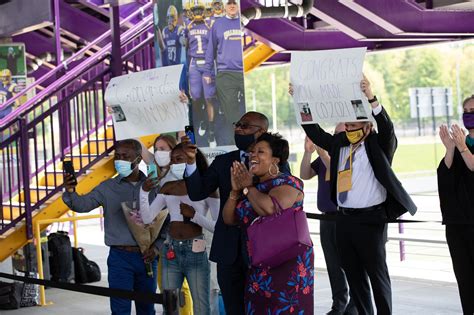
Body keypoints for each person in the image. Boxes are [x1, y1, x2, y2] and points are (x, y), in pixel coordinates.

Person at [300, 77, 417, 315]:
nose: (351, 130)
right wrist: (300, 102)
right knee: (353, 274)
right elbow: (315, 131)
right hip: (344, 219)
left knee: (377, 275)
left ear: (368, 126)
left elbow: (387, 128)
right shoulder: (340, 144)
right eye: (348, 126)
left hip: (371, 219)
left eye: (356, 126)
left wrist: (372, 97)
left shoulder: (378, 145)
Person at [182, 111, 269, 315]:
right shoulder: (223, 162)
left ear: (261, 131)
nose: (238, 129)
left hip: (261, 248)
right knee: (233, 308)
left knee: (262, 307)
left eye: (245, 126)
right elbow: (197, 193)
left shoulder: (273, 162)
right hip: (228, 250)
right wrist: (191, 162)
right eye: (237, 124)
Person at [62, 139, 160, 315]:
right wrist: (71, 192)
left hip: (147, 257)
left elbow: (166, 222)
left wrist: (157, 247)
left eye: (125, 156)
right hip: (119, 258)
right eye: (117, 156)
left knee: (147, 309)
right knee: (120, 309)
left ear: (138, 160)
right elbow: (82, 205)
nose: (119, 160)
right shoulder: (107, 187)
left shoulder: (154, 186)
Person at [222, 132, 314, 313]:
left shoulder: (288, 182)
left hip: (287, 265)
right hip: (259, 266)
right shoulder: (252, 187)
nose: (253, 155)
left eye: (260, 152)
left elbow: (271, 209)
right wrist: (235, 191)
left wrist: (248, 186)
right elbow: (229, 218)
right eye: (252, 152)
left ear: (275, 160)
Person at [140, 143, 219, 314]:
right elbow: (147, 217)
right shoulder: (168, 187)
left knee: (201, 306)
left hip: (196, 250)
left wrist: (195, 216)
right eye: (173, 160)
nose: (175, 164)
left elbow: (219, 227)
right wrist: (144, 192)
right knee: (170, 306)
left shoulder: (209, 189)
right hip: (171, 250)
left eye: (179, 159)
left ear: (192, 160)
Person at [300, 131, 357, 315]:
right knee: (333, 264)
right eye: (335, 132)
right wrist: (308, 152)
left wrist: (322, 152)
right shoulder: (326, 156)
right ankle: (338, 304)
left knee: (350, 263)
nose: (335, 136)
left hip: (345, 218)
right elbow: (305, 174)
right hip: (326, 218)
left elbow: (337, 173)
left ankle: (355, 305)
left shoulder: (351, 157)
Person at [140, 134, 194, 315]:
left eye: (163, 149)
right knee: (166, 288)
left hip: (180, 237)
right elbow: (139, 148)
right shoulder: (154, 170)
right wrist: (119, 116)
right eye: (156, 149)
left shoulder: (178, 172)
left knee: (182, 287)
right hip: (162, 240)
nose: (158, 152)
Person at [437, 95, 474, 314]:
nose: (469, 114)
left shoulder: (465, 146)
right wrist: (451, 148)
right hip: (457, 225)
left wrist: (462, 147)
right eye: (466, 110)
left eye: (473, 109)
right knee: (465, 280)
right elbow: (445, 175)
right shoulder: (462, 143)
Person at [204, 0, 245, 136]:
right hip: (226, 73)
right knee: (231, 114)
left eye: (235, 3)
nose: (232, 6)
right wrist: (207, 71)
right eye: (229, 3)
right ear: (225, 7)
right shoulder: (218, 24)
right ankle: (238, 140)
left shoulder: (246, 22)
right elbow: (210, 49)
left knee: (252, 108)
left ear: (239, 5)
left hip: (246, 72)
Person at [185, 2, 217, 146]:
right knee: (196, 98)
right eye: (195, 10)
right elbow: (185, 46)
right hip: (194, 63)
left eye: (199, 10)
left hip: (207, 62)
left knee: (209, 98)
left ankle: (211, 131)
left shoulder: (210, 25)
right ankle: (202, 120)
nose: (197, 13)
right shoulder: (188, 26)